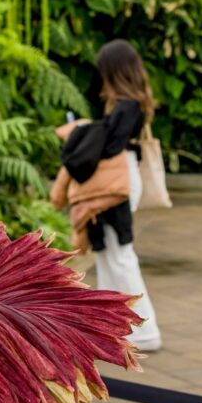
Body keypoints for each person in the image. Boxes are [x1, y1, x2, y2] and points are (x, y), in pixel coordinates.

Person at [54, 39, 162, 351]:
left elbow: (111, 147)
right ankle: (119, 326)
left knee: (120, 255)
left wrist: (83, 131)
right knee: (110, 255)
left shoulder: (127, 106)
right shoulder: (129, 104)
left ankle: (144, 329)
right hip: (118, 180)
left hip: (116, 182)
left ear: (113, 71)